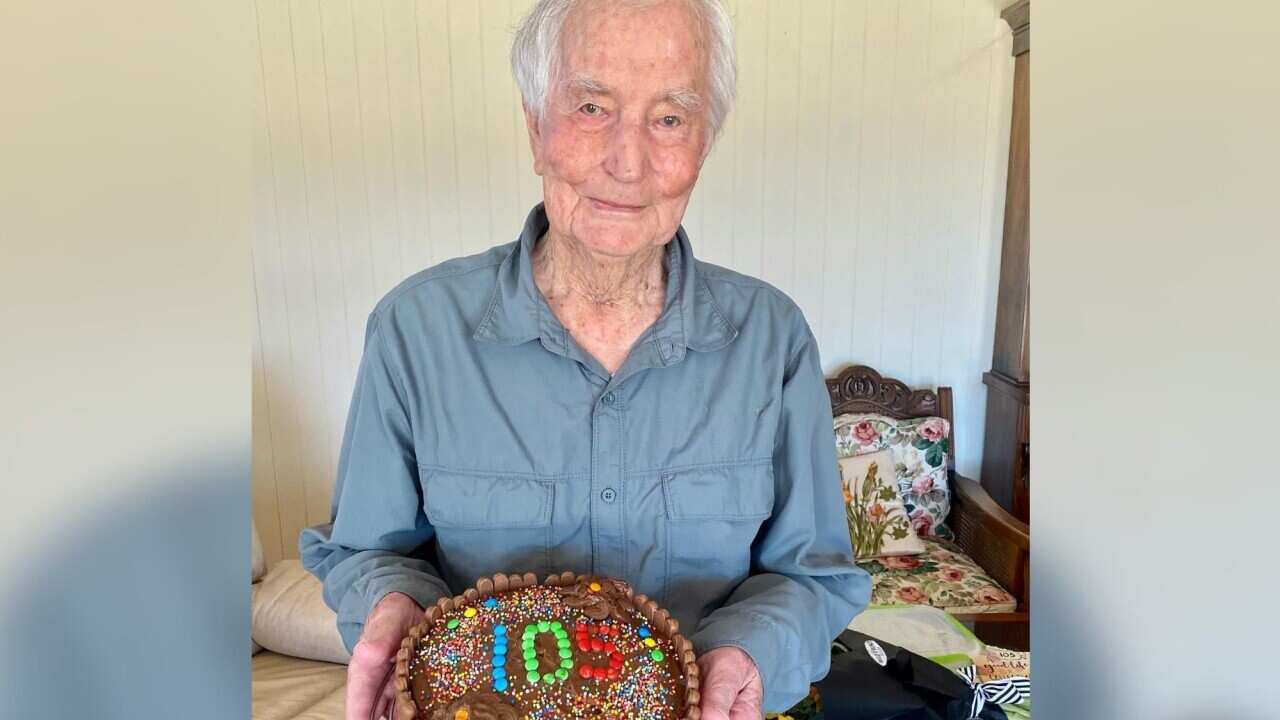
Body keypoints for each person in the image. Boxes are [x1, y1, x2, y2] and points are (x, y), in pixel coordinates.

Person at [299, 1, 870, 718]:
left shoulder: (771, 339)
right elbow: (366, 551)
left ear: (704, 144)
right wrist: (392, 606)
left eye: (670, 119)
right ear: (535, 128)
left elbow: (813, 576)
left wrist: (746, 655)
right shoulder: (415, 331)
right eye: (592, 108)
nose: (628, 162)